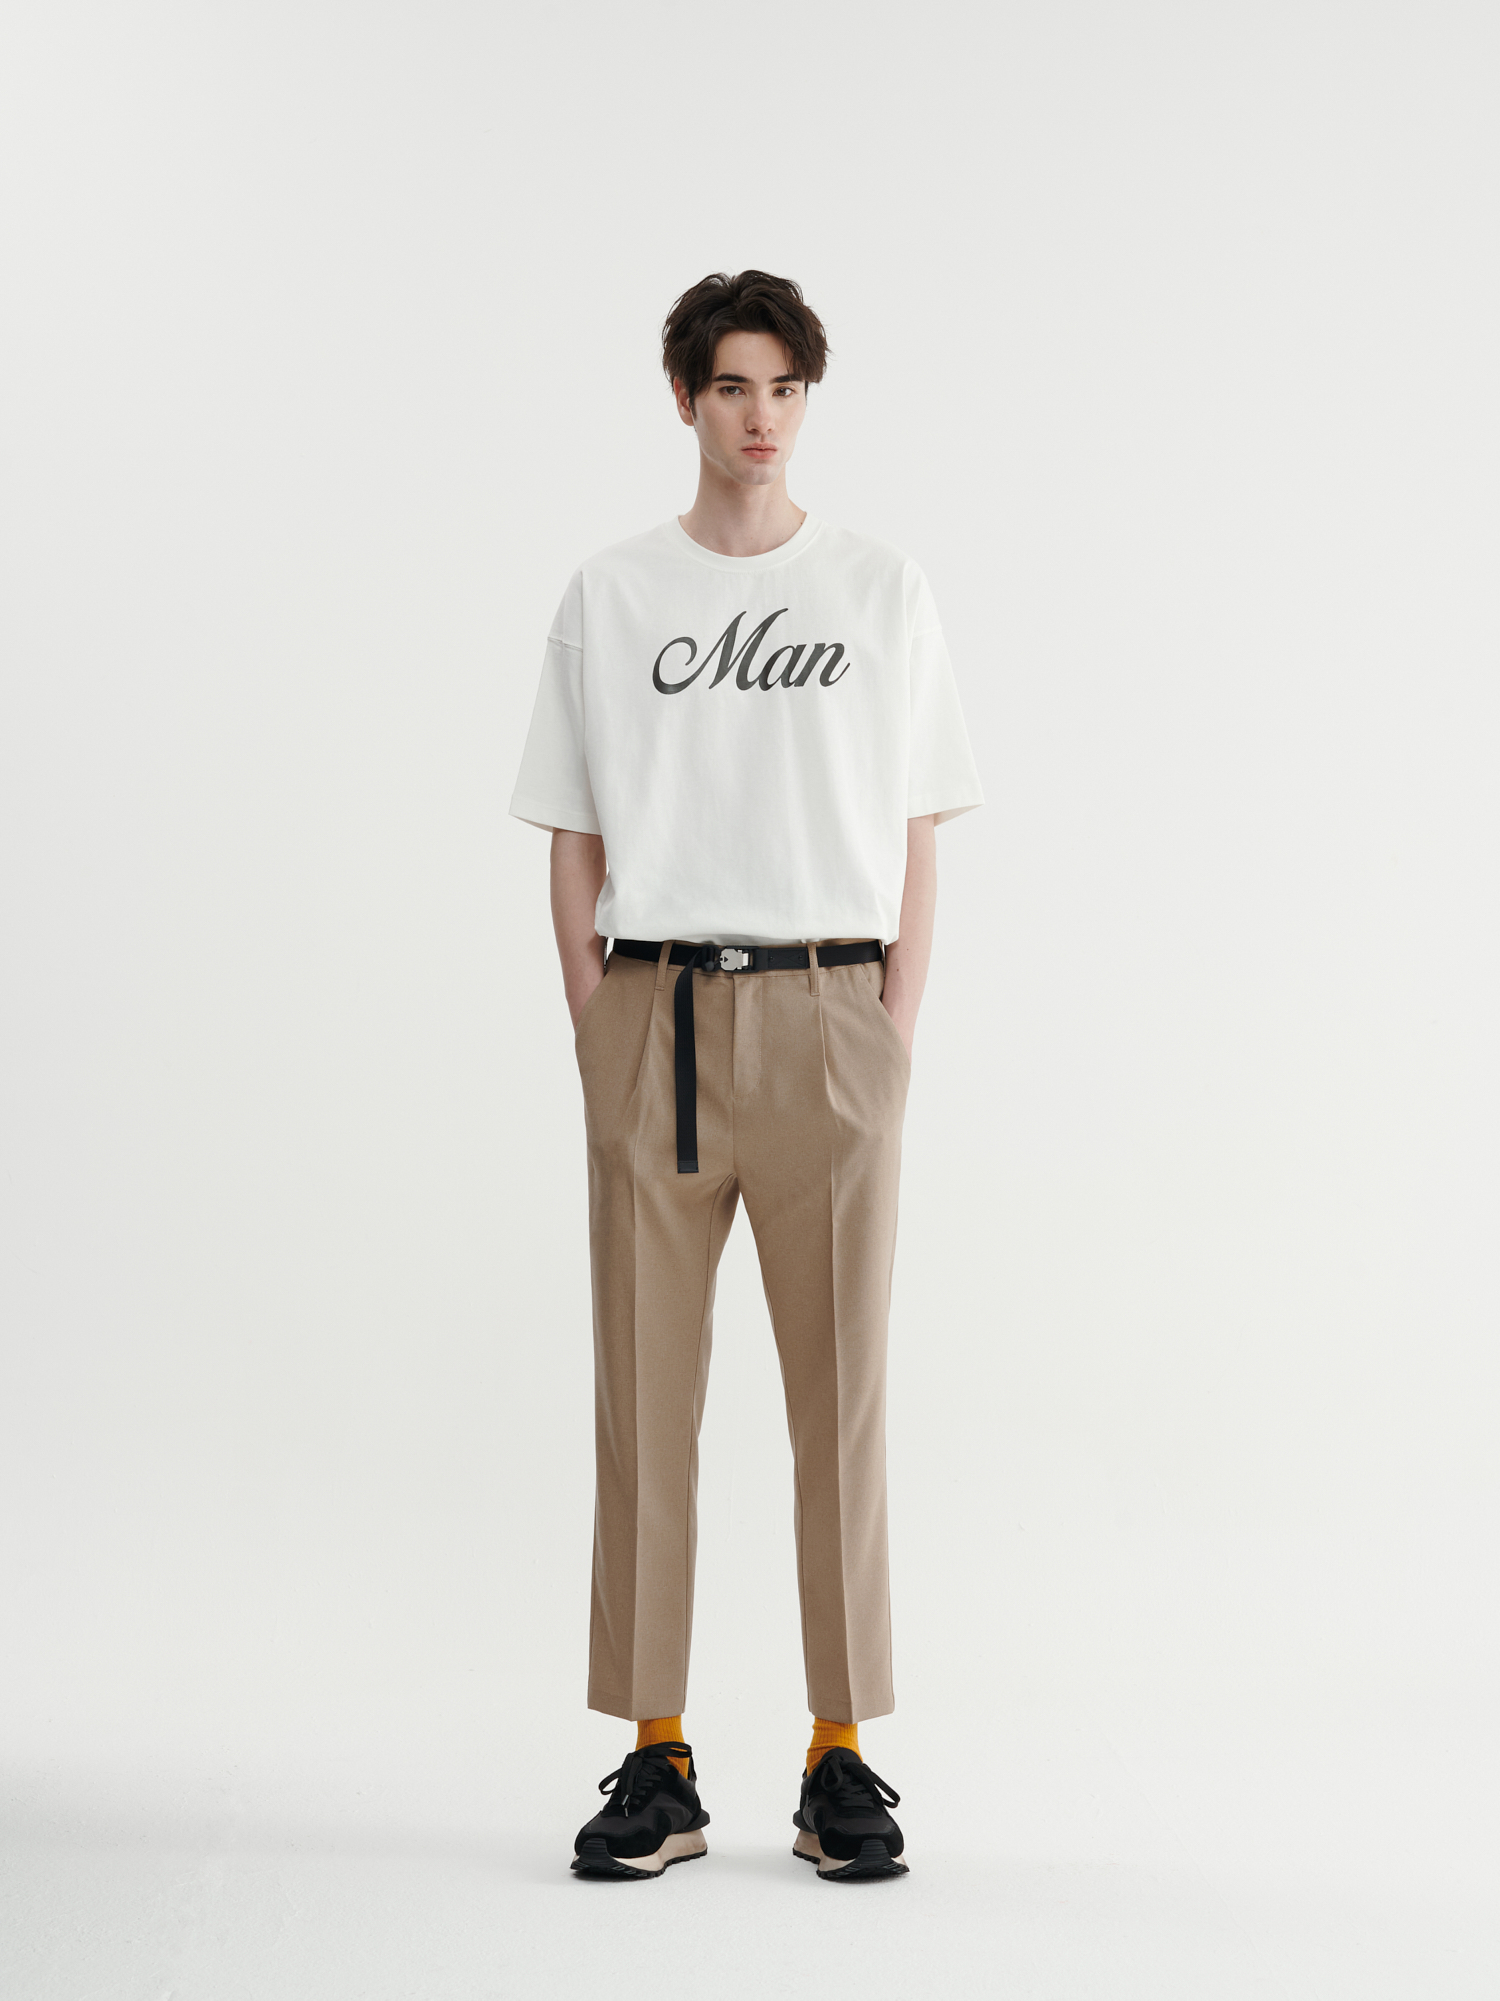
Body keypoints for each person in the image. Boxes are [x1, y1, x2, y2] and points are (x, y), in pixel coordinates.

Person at [509, 270, 982, 1882]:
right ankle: (658, 1754)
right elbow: (571, 829)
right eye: (730, 384)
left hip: (829, 1016)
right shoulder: (613, 593)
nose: (760, 414)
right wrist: (598, 1021)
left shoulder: (880, 589)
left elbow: (917, 826)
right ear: (685, 399)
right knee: (645, 1404)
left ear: (806, 398)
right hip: (657, 1021)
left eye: (783, 385)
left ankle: (840, 1751)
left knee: (840, 1404)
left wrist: (890, 1027)